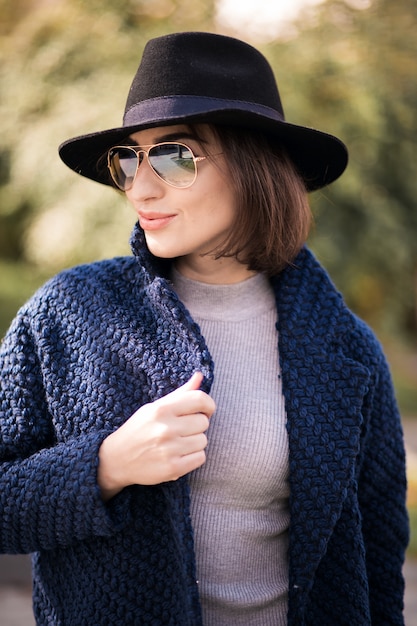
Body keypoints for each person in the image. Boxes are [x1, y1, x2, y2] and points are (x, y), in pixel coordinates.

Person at [0, 31, 409, 626]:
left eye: (174, 155)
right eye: (128, 159)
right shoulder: (66, 315)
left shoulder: (347, 348)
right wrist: (107, 465)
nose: (141, 187)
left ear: (255, 166)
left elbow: (379, 552)